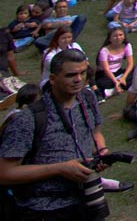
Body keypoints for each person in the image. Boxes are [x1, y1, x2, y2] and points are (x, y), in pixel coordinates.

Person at [0, 49, 115, 220]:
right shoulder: (28, 118)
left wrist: (100, 153)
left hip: (86, 199)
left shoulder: (88, 98)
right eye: (71, 75)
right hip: (44, 209)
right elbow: (4, 173)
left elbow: (95, 133)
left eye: (83, 73)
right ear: (53, 79)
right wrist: (60, 169)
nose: (79, 79)